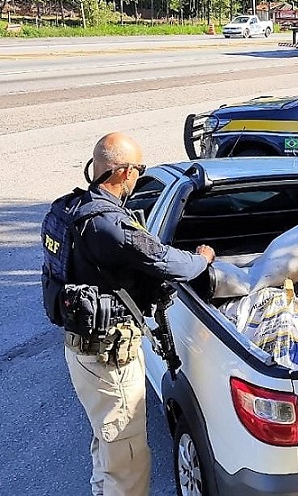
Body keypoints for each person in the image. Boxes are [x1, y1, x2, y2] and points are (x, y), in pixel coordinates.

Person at [63, 132, 215, 496]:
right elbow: (165, 259)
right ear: (123, 172)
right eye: (139, 169)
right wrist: (203, 259)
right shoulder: (111, 226)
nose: (138, 176)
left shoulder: (69, 207)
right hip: (109, 360)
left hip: (81, 351)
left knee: (107, 441)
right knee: (128, 458)